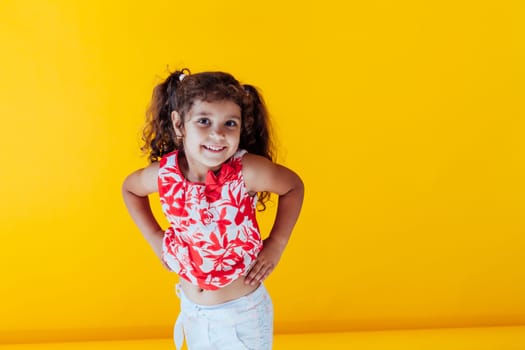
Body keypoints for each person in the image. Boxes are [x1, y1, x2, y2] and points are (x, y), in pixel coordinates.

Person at [122, 68, 304, 350]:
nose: (217, 134)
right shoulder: (165, 174)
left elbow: (293, 187)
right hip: (192, 310)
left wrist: (276, 243)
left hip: (240, 316)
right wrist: (156, 239)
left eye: (229, 123)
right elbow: (130, 189)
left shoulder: (246, 171)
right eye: (204, 121)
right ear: (179, 124)